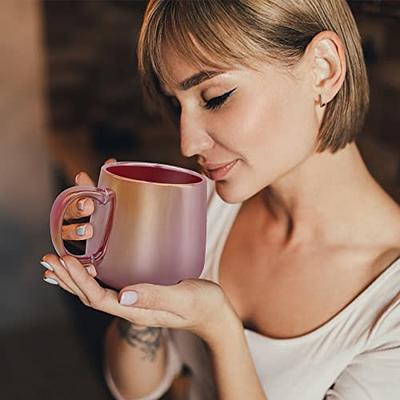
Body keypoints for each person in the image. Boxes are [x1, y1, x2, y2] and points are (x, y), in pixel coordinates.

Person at [41, 1, 400, 399]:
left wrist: (221, 329)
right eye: (177, 105)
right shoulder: (208, 208)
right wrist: (135, 289)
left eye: (215, 96)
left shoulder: (390, 307)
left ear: (323, 69)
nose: (188, 142)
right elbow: (136, 389)